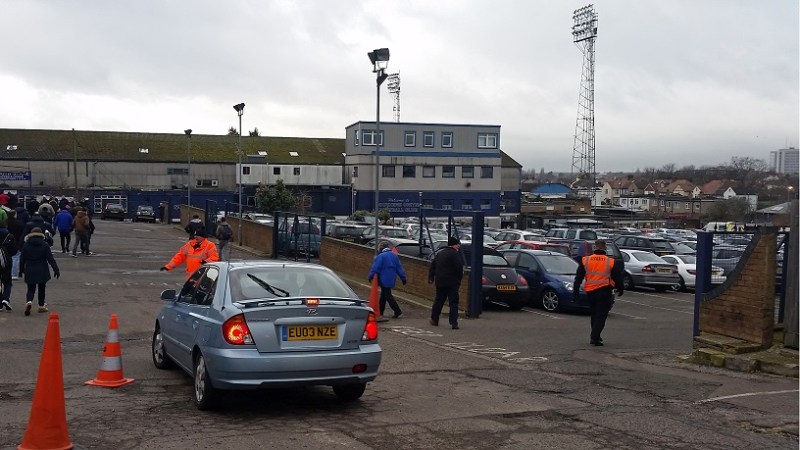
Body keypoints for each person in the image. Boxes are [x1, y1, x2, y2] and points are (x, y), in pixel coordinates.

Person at [572, 239, 624, 346]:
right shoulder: (610, 261)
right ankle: (595, 337)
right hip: (604, 291)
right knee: (601, 315)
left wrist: (576, 291)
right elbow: (617, 277)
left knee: (594, 314)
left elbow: (578, 277)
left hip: (590, 291)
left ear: (594, 247)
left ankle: (596, 335)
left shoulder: (586, 260)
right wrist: (620, 288)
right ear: (605, 248)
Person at [19, 227, 60, 315]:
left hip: (30, 269)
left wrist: (21, 270)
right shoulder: (45, 245)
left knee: (30, 288)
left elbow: (22, 260)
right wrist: (56, 269)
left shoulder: (26, 245)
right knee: (42, 288)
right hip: (42, 269)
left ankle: (29, 301)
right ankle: (41, 306)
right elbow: (50, 259)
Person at [428, 236, 464, 330]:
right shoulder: (455, 254)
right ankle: (453, 322)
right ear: (453, 245)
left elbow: (433, 266)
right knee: (453, 302)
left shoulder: (440, 253)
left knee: (439, 300)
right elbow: (459, 268)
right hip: (452, 282)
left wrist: (431, 277)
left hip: (440, 281)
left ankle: (434, 319)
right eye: (457, 244)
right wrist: (459, 279)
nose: (458, 246)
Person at [368, 242, 407, 319]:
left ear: (382, 248)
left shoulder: (381, 256)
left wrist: (370, 276)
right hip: (391, 279)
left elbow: (376, 268)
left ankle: (397, 310)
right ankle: (381, 311)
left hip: (383, 278)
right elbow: (399, 268)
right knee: (384, 295)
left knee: (388, 295)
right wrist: (403, 278)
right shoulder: (394, 256)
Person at [0, 219, 18, 311]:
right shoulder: (9, 236)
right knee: (7, 282)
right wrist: (7, 254)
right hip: (6, 261)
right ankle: (5, 298)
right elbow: (14, 250)